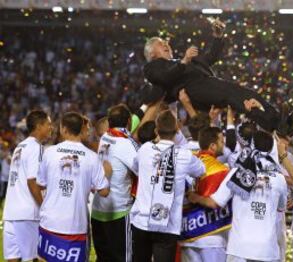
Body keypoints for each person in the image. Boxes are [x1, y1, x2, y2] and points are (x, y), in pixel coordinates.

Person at [143, 18, 293, 133]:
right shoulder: (152, 67)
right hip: (194, 89)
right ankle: (274, 124)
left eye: (165, 42)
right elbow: (164, 78)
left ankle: (277, 121)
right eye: (160, 43)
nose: (165, 44)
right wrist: (184, 61)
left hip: (208, 83)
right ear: (151, 53)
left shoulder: (184, 60)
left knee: (247, 95)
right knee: (234, 97)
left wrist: (218, 37)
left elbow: (210, 58)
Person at [188, 130, 287, 262]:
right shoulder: (280, 179)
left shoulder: (237, 172)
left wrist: (195, 197)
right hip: (267, 250)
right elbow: (281, 207)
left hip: (240, 248)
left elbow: (214, 202)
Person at [130, 110, 205, 262]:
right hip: (167, 224)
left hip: (141, 221)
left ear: (156, 130)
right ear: (177, 130)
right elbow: (201, 170)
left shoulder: (144, 149)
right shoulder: (184, 155)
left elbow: (135, 168)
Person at [36, 112, 110, 262]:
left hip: (49, 222)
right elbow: (104, 191)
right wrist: (105, 173)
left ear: (63, 129)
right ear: (81, 129)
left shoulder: (49, 153)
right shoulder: (91, 157)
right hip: (75, 226)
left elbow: (41, 183)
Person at [2, 109, 52, 262]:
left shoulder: (20, 147)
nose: (51, 128)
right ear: (39, 126)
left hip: (11, 213)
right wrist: (44, 208)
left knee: (13, 259)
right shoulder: (36, 148)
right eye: (48, 124)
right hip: (27, 214)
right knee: (32, 258)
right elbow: (32, 181)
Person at [92, 104, 139, 262]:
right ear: (128, 121)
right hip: (118, 212)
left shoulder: (105, 138)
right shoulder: (126, 143)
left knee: (103, 259)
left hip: (98, 211)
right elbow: (144, 170)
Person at [181, 127, 230, 262]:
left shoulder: (186, 162)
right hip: (211, 237)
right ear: (213, 146)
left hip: (187, 235)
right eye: (221, 141)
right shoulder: (222, 170)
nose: (223, 144)